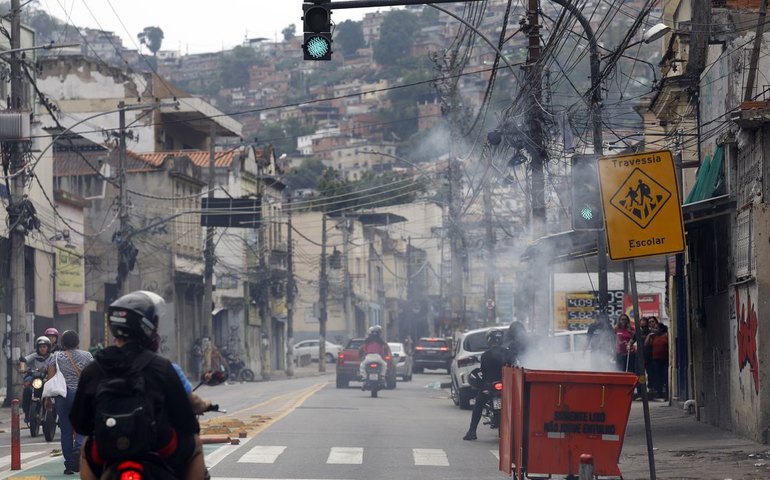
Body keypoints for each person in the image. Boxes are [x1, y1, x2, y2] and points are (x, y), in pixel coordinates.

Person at [71, 291, 204, 480]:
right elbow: (187, 421)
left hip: (107, 449)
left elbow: (80, 423)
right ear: (148, 326)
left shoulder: (93, 370)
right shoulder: (162, 367)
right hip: (160, 447)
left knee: (85, 448)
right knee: (196, 445)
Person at [46, 330, 93, 475]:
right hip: (81, 396)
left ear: (63, 343)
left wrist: (48, 398)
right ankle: (78, 447)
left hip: (62, 396)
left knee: (65, 431)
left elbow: (51, 378)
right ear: (77, 342)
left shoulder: (56, 356)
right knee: (82, 427)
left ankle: (68, 465)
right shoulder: (87, 356)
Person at [463, 329, 508, 441]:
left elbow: (484, 371)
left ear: (489, 340)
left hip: (490, 386)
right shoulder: (508, 353)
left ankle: (472, 432)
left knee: (478, 405)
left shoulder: (486, 355)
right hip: (507, 386)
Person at [20, 336, 53, 423]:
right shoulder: (34, 356)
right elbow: (23, 360)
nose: (42, 349)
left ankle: (52, 412)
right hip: (34, 377)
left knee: (54, 393)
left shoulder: (52, 356)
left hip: (47, 378)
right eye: (40, 347)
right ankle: (27, 413)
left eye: (44, 347)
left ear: (48, 347)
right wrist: (22, 368)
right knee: (27, 390)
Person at [649, 321, 669, 400]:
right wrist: (649, 336)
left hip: (664, 359)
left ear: (661, 329)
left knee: (665, 376)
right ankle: (659, 393)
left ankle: (666, 393)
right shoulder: (654, 337)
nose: (655, 330)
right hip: (655, 359)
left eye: (657, 328)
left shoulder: (666, 336)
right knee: (657, 377)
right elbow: (647, 344)